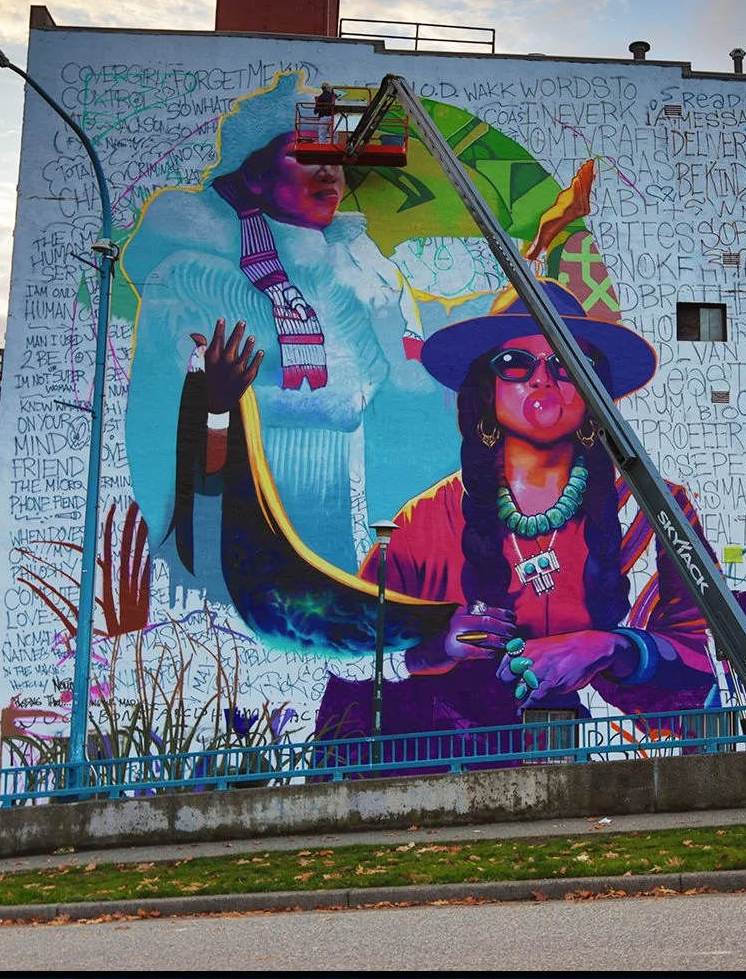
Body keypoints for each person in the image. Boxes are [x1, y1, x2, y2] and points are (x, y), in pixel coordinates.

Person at [203, 280, 717, 732]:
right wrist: (437, 645)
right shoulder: (422, 522)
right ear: (484, 390)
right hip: (458, 772)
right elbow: (364, 656)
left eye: (566, 364)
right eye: (516, 363)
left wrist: (610, 647)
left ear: (592, 391)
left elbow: (705, 656)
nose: (542, 380)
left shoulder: (657, 512)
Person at [122, 75, 450, 597]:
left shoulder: (359, 280)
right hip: (233, 538)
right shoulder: (188, 279)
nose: (330, 172)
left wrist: (391, 345)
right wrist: (233, 405)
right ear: (254, 174)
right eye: (305, 154)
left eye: (337, 160)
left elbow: (398, 412)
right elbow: (156, 425)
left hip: (338, 531)